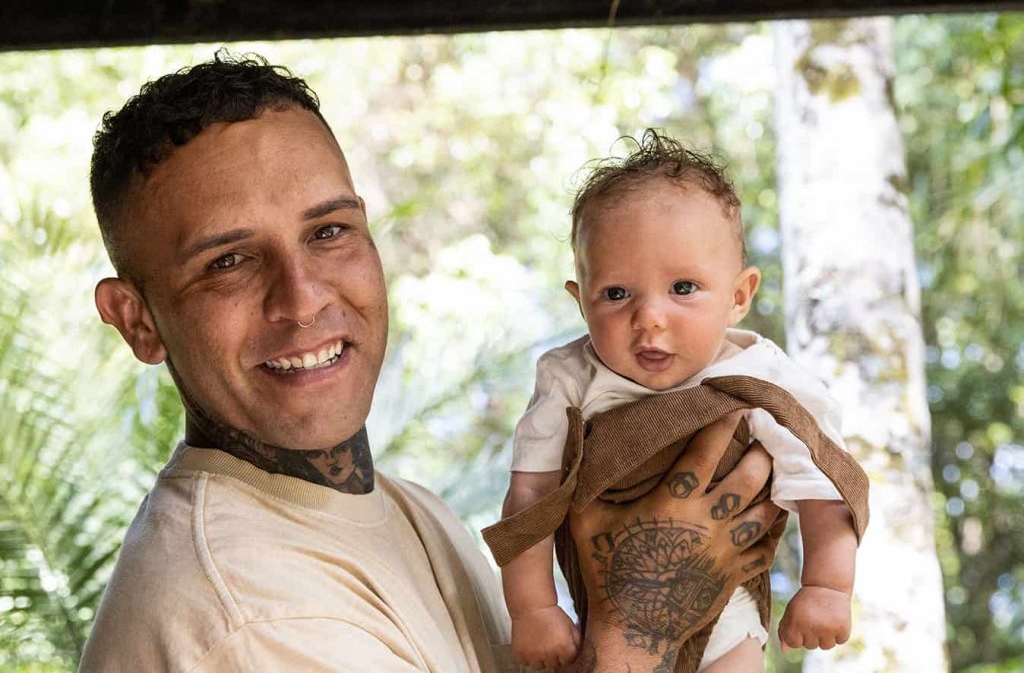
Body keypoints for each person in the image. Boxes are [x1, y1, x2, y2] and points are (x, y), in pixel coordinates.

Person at [78, 53, 782, 673]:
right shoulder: (250, 615)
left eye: (328, 231)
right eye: (229, 261)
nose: (303, 298)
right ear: (137, 320)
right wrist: (642, 625)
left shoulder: (410, 511)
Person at [490, 130, 868, 672]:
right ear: (580, 301)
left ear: (739, 296)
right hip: (603, 620)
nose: (649, 318)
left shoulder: (761, 376)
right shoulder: (568, 378)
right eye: (616, 294)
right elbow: (530, 495)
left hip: (728, 620)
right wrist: (534, 609)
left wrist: (826, 586)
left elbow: (823, 484)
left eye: (683, 288)